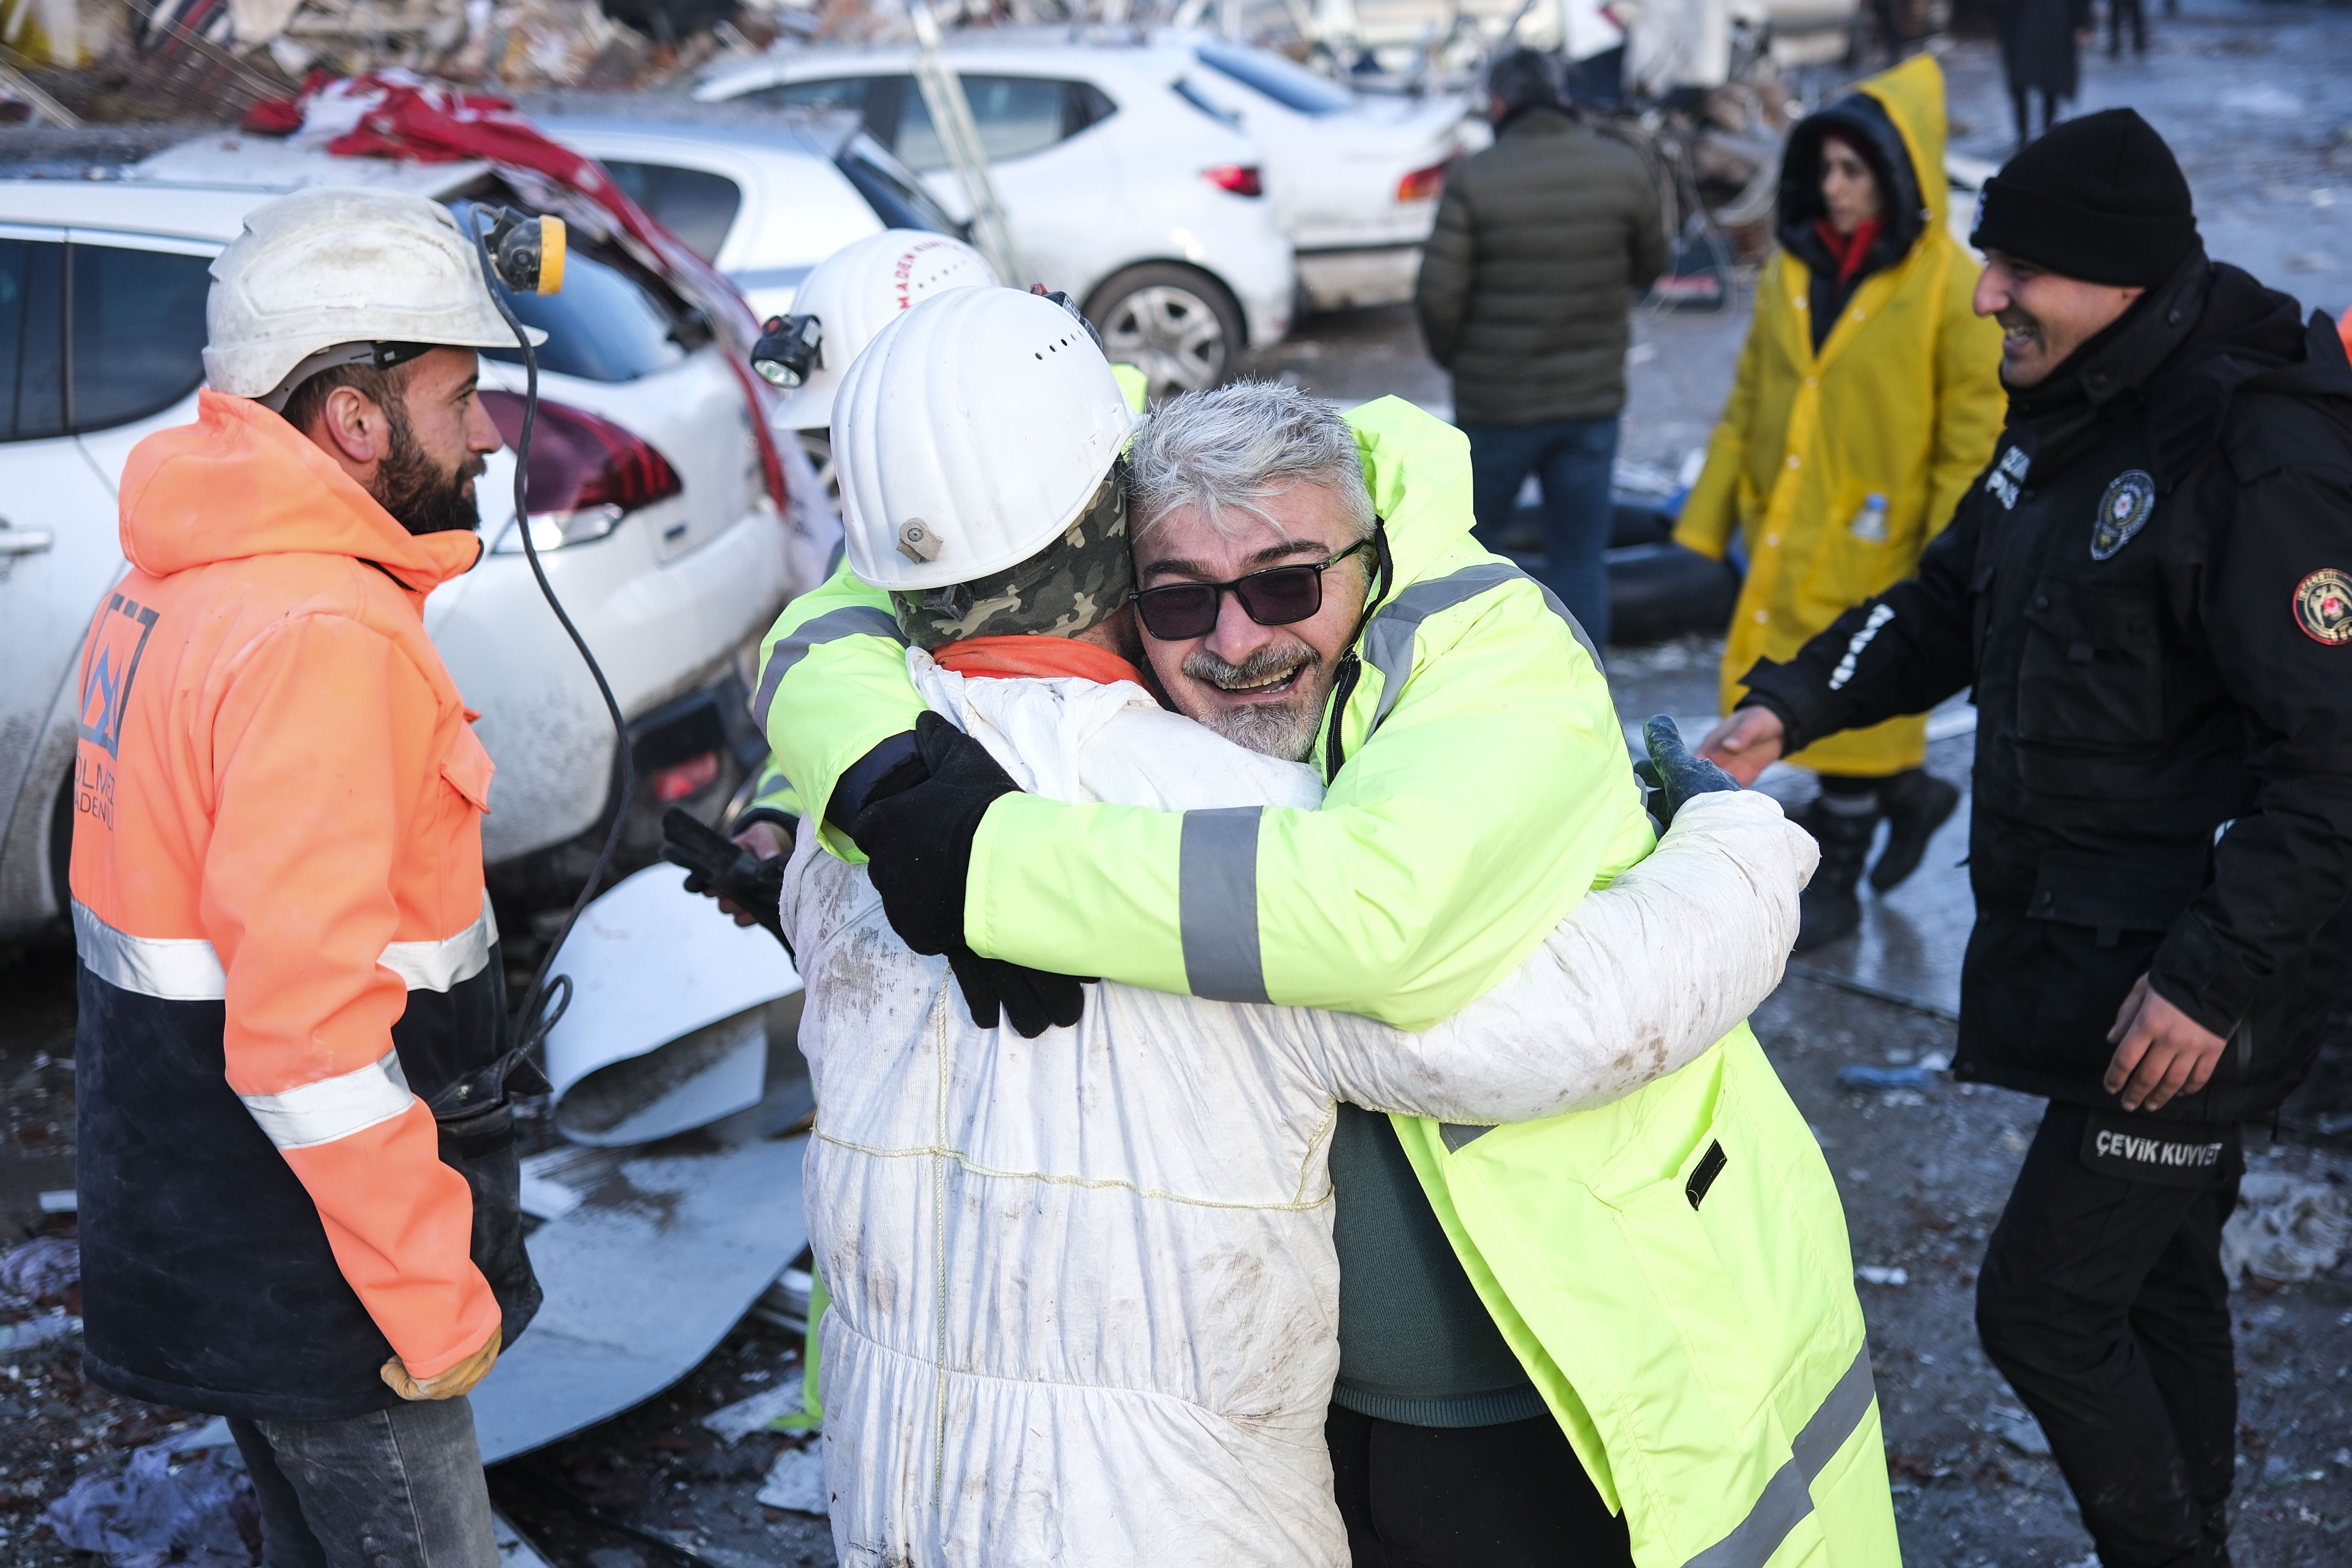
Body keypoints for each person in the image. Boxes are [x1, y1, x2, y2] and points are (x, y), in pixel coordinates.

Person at [754, 328, 1897, 1559]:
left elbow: (1472, 967)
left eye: (1288, 584)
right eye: (1180, 598)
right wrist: (866, 788)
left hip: (1528, 1390)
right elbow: (874, 584)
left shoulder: (1439, 710)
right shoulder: (967, 785)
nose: (1238, 640)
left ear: (1372, 562)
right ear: (1109, 575)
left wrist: (1740, 850)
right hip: (1285, 1437)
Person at [1696, 109, 2352, 1568]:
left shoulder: (2254, 454)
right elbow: (1946, 599)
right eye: (1991, 258)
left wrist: (2208, 981)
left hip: (2192, 983)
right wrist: (1787, 707)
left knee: (2041, 1307)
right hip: (2091, 947)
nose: (1987, 294)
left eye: (2020, 269)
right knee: (2156, 1279)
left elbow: (2331, 761)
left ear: (2118, 279)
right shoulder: (2074, 405)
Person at [67, 188, 542, 1568]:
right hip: (326, 1266)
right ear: (353, 417)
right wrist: (432, 1301)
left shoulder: (180, 579)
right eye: (459, 396)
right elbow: (305, 1037)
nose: (489, 429)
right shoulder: (318, 632)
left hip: (219, 1222)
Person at [1674, 55, 2004, 949]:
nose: (1833, 187)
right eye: (1822, 168)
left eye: (1853, 170)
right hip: (1784, 526)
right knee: (1799, 698)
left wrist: (1938, 558)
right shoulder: (1795, 269)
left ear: (1899, 174)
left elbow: (1968, 441)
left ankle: (1840, 870)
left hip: (1880, 541)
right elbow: (1750, 398)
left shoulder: (1946, 288)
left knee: (1850, 717)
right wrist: (1705, 522)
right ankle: (1911, 792)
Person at [1412, 45, 1667, 649]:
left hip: (1497, 407)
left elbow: (1437, 297)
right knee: (1580, 559)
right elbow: (1652, 264)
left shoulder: (1476, 178)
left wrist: (1463, 363)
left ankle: (1475, 674)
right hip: (1590, 405)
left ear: (1498, 104)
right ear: (1562, 97)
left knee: (1470, 552)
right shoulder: (1620, 167)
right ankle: (1589, 691)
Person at [2001, 0, 2093, 145]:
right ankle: (2025, 136)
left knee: (2050, 80)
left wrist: (2082, 21)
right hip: (2024, 19)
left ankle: (2044, 134)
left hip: (2052, 20)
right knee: (2023, 79)